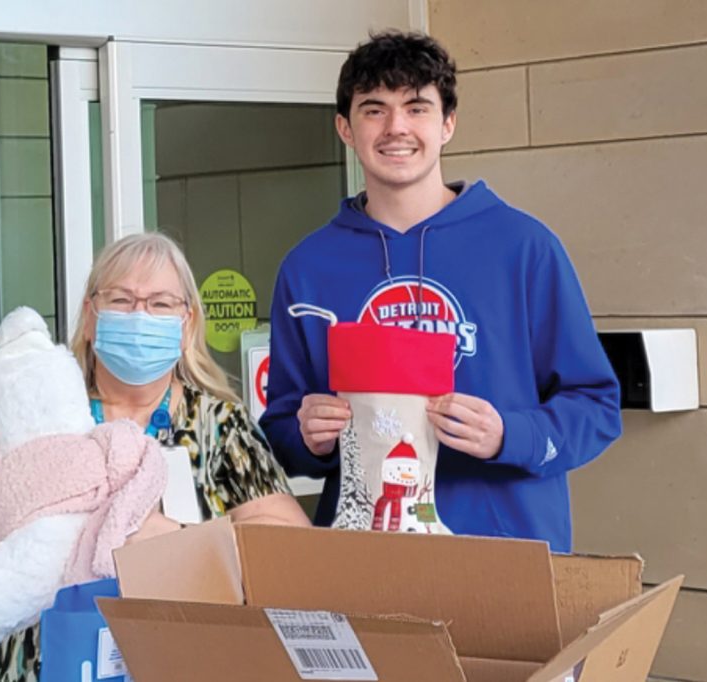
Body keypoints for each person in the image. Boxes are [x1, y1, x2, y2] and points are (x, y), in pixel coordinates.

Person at [259, 30, 621, 554]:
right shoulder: (307, 267)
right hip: (366, 556)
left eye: (416, 107)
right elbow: (281, 431)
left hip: (506, 551)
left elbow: (596, 407)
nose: (396, 127)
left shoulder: (524, 248)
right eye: (374, 109)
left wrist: (508, 435)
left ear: (447, 124)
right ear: (345, 127)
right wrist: (306, 437)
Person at [0, 232, 309, 682]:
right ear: (91, 316)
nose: (140, 315)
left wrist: (179, 542)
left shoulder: (217, 423)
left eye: (161, 304)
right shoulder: (33, 415)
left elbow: (289, 549)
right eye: (122, 300)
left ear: (187, 324)